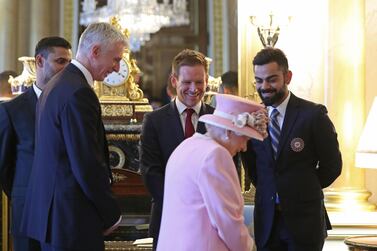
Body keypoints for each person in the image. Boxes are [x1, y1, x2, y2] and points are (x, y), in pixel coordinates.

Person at [21, 23, 128, 251]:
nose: (118, 68)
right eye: (116, 59)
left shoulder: (59, 84)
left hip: (54, 217)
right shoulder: (79, 91)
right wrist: (110, 214)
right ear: (95, 51)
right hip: (70, 220)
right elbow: (86, 162)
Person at [242, 47, 342, 251]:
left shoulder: (313, 115)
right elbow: (253, 170)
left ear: (287, 76)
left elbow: (332, 166)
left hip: (305, 222)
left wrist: (303, 187)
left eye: (272, 79)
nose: (265, 86)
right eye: (259, 80)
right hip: (267, 222)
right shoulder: (251, 118)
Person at [157, 94, 268, 251]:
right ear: (229, 132)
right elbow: (228, 222)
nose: (244, 147)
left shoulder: (186, 146)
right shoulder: (216, 155)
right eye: (245, 138)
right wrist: (249, 247)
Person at [0, 37, 72, 251]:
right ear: (40, 61)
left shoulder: (73, 104)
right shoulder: (12, 110)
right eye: (60, 61)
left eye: (69, 63)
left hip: (63, 211)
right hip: (26, 209)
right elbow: (4, 166)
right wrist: (24, 190)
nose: (66, 68)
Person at [140, 49, 215, 250]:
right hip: (168, 219)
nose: (194, 88)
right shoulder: (154, 121)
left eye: (199, 82)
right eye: (187, 82)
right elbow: (151, 173)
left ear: (207, 80)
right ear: (174, 80)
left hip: (210, 224)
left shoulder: (218, 120)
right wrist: (186, 207)